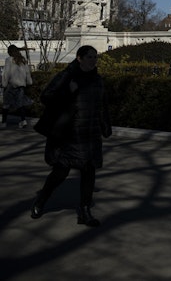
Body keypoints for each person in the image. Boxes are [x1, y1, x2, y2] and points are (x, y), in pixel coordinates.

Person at [31, 45, 112, 227]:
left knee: (89, 173)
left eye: (95, 57)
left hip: (90, 134)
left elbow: (103, 104)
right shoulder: (67, 76)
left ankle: (84, 211)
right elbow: (46, 97)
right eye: (89, 57)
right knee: (60, 173)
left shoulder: (97, 80)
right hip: (69, 134)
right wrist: (68, 91)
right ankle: (41, 200)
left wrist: (105, 125)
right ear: (79, 58)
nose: (93, 60)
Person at [3, 45, 33, 128]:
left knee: (6, 104)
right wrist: (29, 82)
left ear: (10, 52)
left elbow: (6, 73)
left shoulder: (8, 60)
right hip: (21, 85)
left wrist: (4, 84)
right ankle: (23, 121)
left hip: (11, 84)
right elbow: (27, 72)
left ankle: (4, 122)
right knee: (20, 104)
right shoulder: (23, 60)